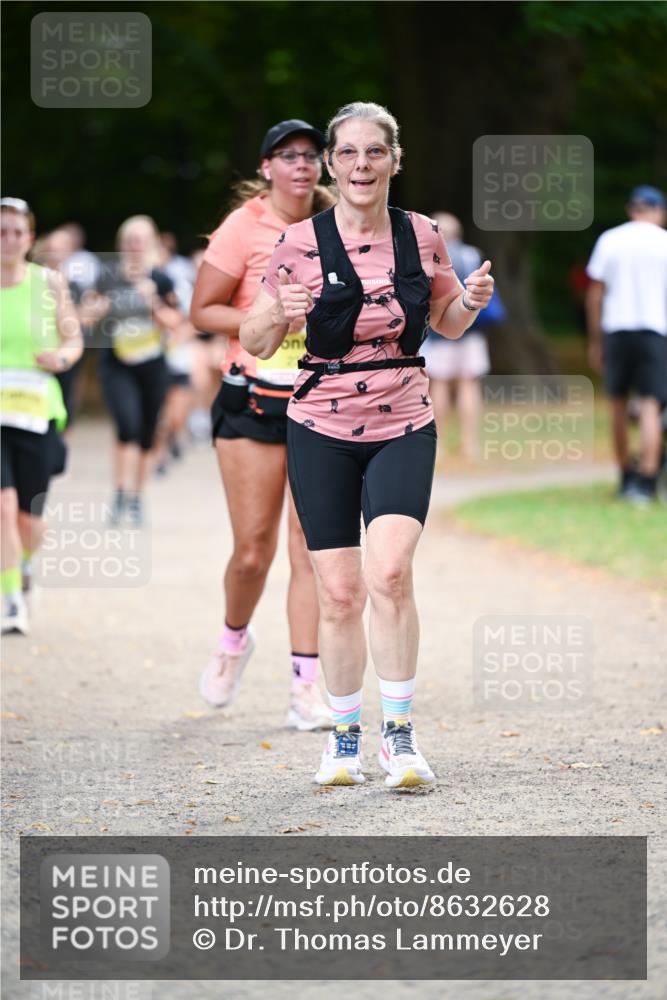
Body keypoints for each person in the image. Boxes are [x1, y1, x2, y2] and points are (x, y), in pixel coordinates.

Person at [239, 102, 494, 788]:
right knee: (340, 592)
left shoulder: (421, 235)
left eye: (373, 153)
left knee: (388, 573)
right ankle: (343, 740)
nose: (359, 165)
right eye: (346, 153)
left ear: (393, 160)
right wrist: (276, 312)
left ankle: (399, 738)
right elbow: (256, 342)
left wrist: (468, 299)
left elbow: (444, 322)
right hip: (318, 425)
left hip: (403, 420)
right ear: (330, 162)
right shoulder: (298, 243)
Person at [191, 120, 335, 731]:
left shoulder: (340, 225)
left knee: (313, 553)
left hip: (323, 399)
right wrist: (266, 314)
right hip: (252, 401)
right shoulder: (244, 227)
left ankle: (306, 687)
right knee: (254, 552)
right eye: (288, 156)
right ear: (267, 167)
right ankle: (232, 644)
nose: (301, 165)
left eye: (310, 155)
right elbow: (203, 310)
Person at [0, 197, 83, 633]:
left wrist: (62, 359)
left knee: (29, 518)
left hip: (36, 410)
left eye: (17, 231)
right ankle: (10, 597)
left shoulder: (48, 283)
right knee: (2, 504)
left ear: (29, 238)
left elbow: (74, 340)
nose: (9, 240)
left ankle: (25, 564)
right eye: (1, 231)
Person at [82, 215, 184, 525]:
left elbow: (176, 323)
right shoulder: (107, 275)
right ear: (122, 244)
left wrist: (152, 301)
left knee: (145, 431)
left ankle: (138, 496)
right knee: (126, 425)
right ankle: (120, 492)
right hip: (117, 363)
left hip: (152, 364)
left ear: (151, 244)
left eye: (141, 240)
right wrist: (95, 310)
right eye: (130, 240)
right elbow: (85, 316)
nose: (135, 246)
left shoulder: (161, 279)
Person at [586, 185, 667, 504]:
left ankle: (624, 476)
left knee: (618, 405)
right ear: (658, 210)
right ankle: (647, 481)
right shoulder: (663, 242)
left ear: (631, 209)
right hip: (655, 331)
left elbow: (595, 294)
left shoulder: (611, 239)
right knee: (649, 405)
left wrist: (596, 341)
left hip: (617, 329)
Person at [420, 213, 494, 462]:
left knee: (438, 385)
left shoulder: (430, 257)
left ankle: (438, 446)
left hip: (438, 335)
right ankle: (470, 444)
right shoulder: (473, 254)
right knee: (469, 385)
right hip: (472, 333)